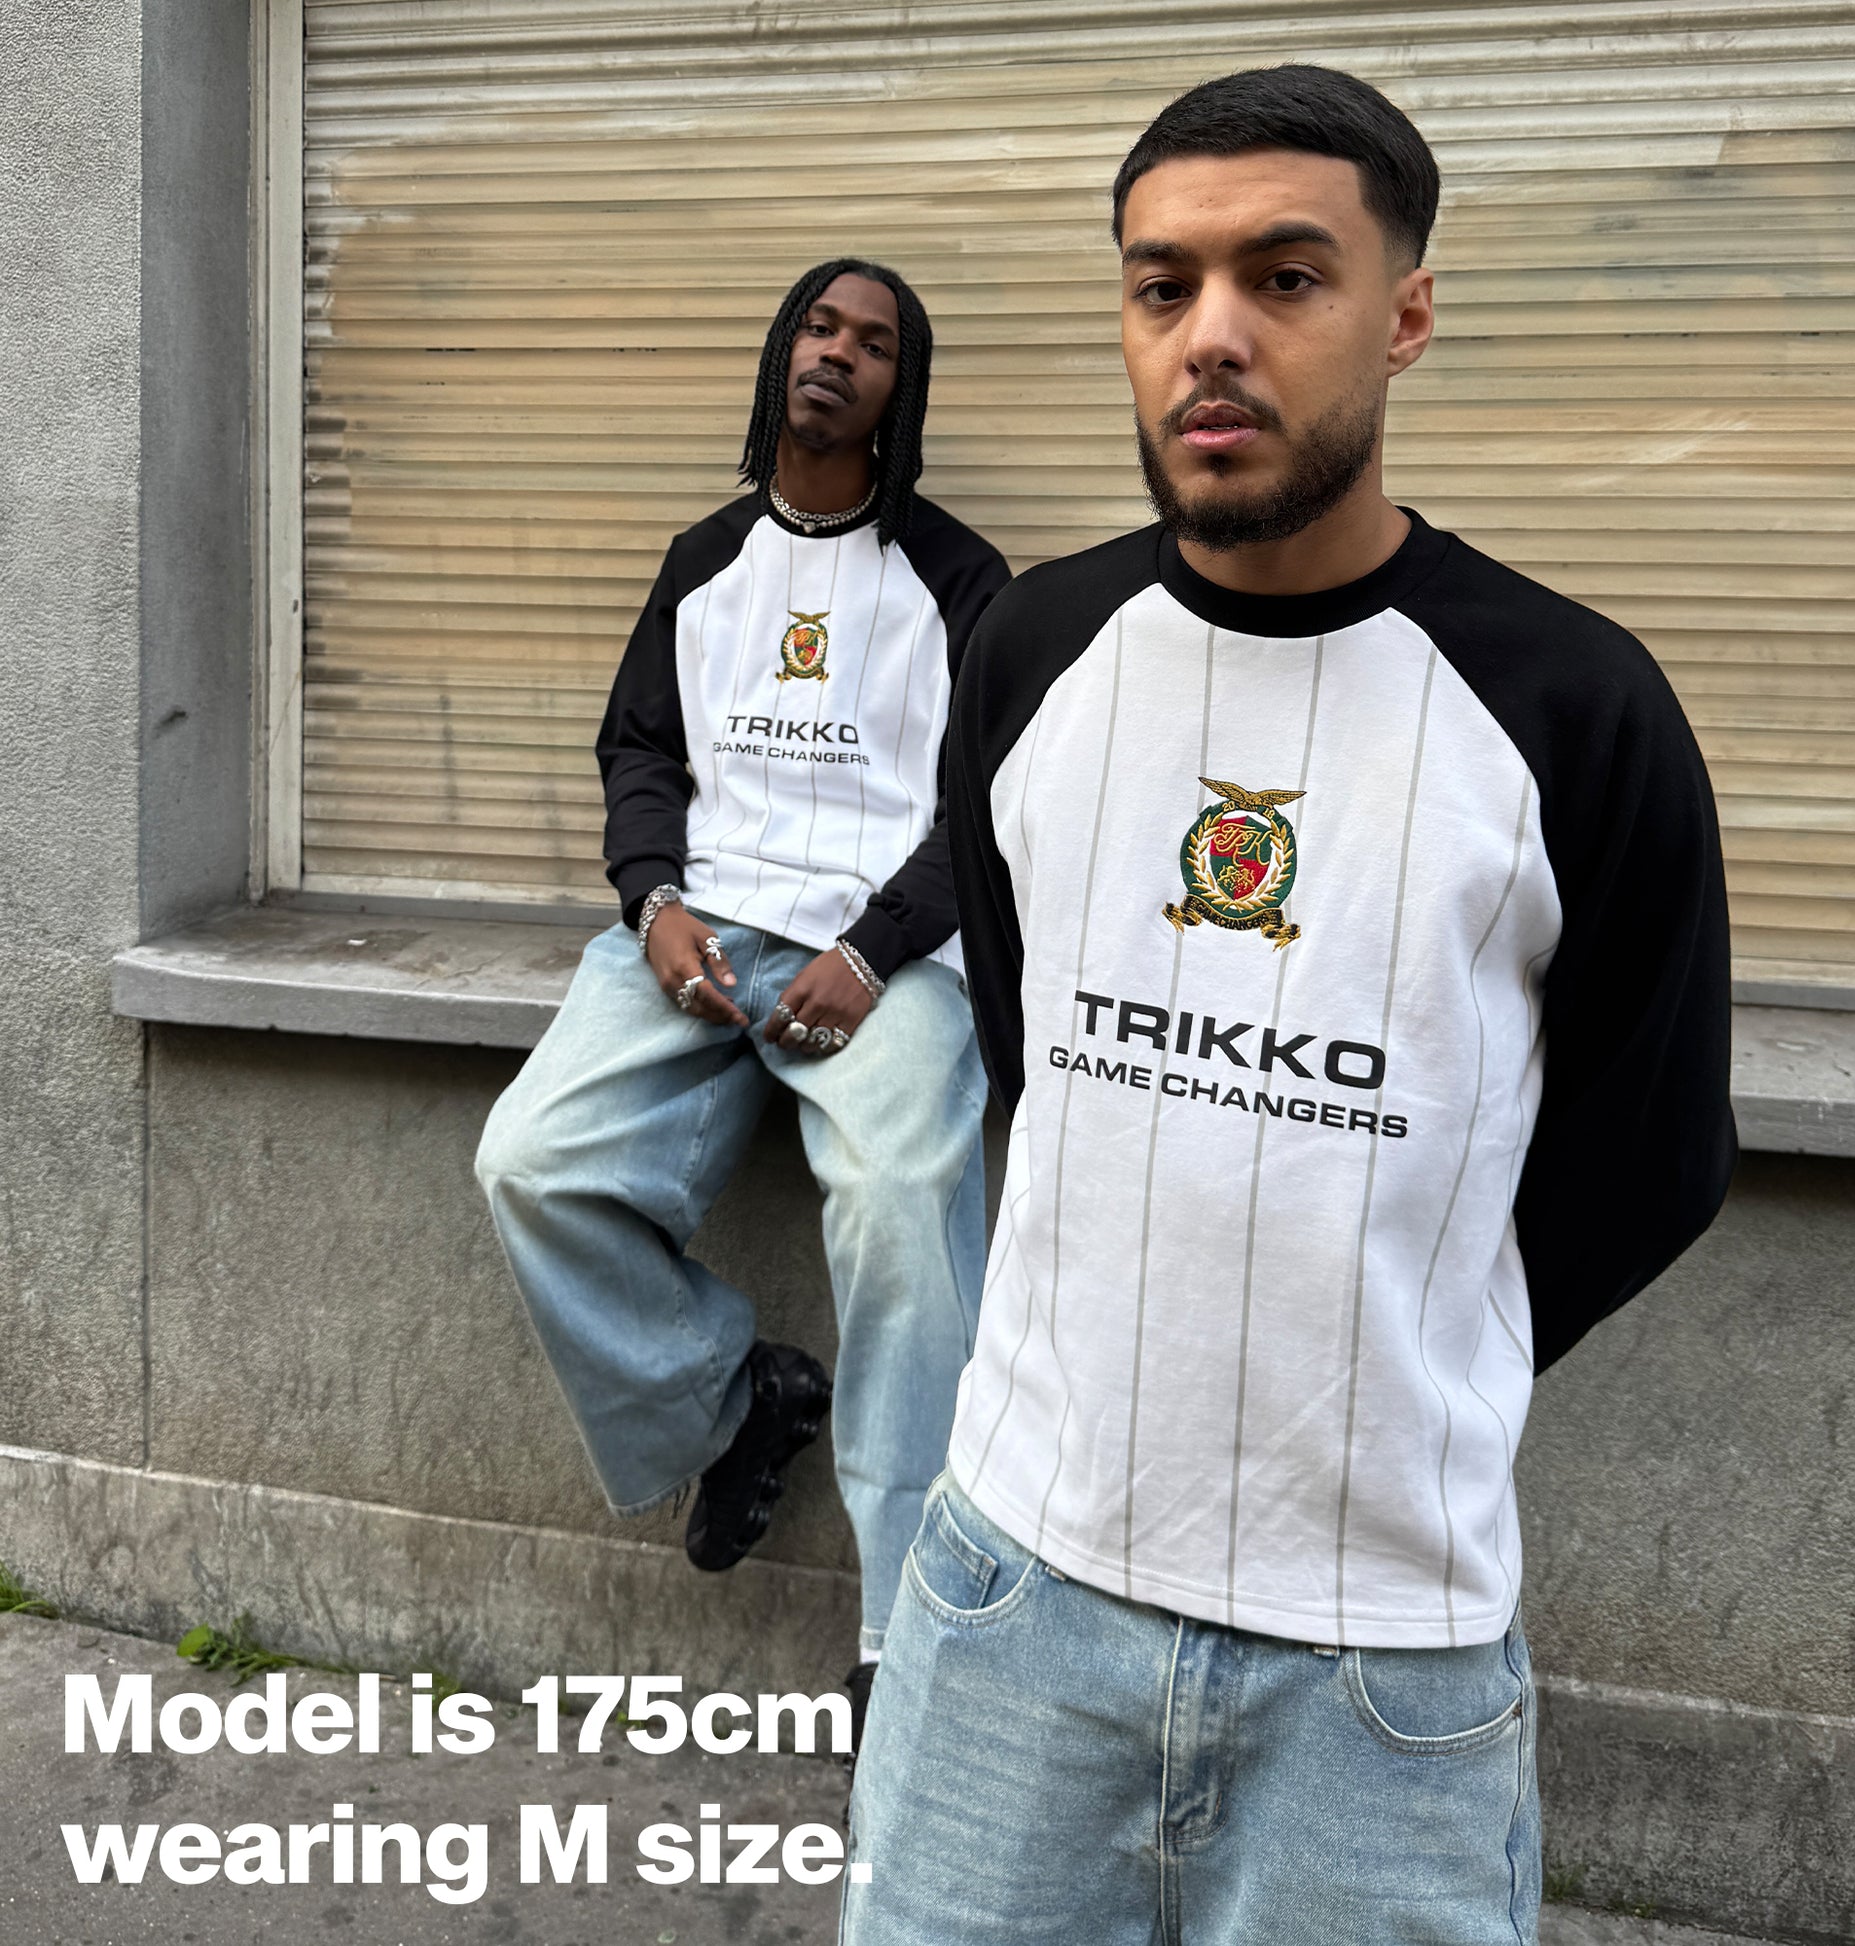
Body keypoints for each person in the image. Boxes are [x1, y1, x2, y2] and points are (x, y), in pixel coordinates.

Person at [844, 66, 1736, 1944]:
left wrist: (1391, 1349)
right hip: (1011, 1598)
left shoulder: (1573, 708)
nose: (1211, 336)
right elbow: (1031, 1057)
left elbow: (1647, 1160)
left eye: (1284, 277)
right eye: (1160, 286)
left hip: (1378, 1666)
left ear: (1403, 315)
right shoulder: (1034, 649)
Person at [475, 260, 1011, 1704]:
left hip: (885, 957)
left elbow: (988, 803)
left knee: (904, 1214)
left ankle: (911, 1642)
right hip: (701, 933)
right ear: (781, 353)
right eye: (819, 327)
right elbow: (639, 750)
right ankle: (731, 1402)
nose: (838, 354)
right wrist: (652, 903)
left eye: (874, 342)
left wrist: (875, 949)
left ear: (901, 389)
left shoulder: (961, 581)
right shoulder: (704, 559)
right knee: (530, 1162)